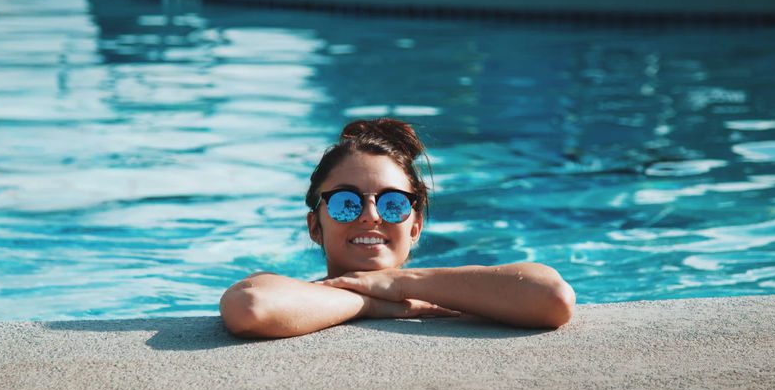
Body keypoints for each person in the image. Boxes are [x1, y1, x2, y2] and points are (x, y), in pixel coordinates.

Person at [220, 118, 575, 339]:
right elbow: (252, 306)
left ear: (415, 226)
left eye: (393, 203)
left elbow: (552, 298)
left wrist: (400, 283)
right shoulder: (291, 293)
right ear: (315, 226)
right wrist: (371, 304)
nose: (371, 215)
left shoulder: (464, 291)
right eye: (347, 202)